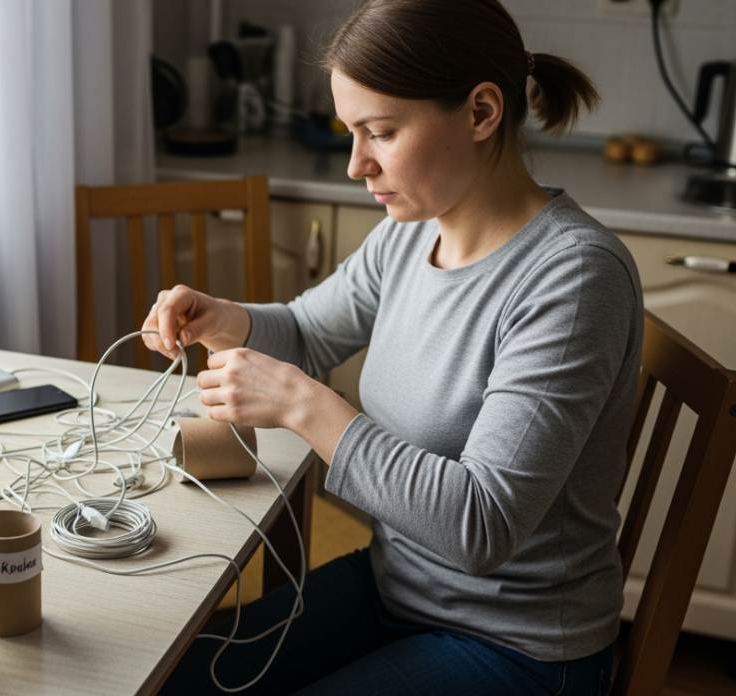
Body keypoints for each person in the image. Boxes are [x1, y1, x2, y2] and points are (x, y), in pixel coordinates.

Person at [151, 1, 643, 694]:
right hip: (397, 587)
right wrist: (221, 317)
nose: (357, 165)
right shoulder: (415, 231)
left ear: (480, 113)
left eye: (380, 132)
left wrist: (304, 406)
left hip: (516, 644)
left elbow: (482, 525)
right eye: (351, 132)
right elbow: (310, 331)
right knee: (173, 679)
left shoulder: (573, 279)